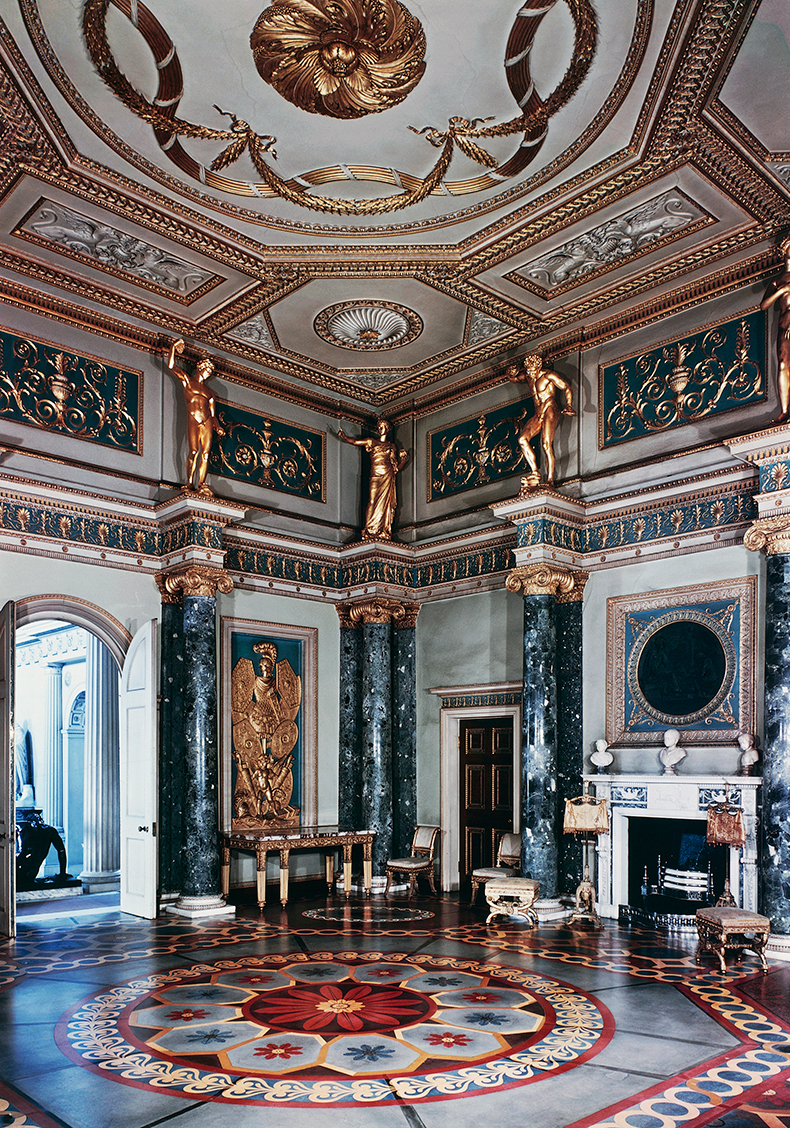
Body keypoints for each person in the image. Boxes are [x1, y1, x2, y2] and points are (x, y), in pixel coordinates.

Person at [166, 338, 225, 493]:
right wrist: (173, 347)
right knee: (193, 451)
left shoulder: (210, 392)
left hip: (206, 422)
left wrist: (218, 427)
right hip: (193, 419)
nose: (208, 374)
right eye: (207, 370)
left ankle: (202, 484)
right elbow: (171, 366)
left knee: (205, 454)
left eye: (210, 372)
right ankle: (190, 483)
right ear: (201, 368)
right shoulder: (188, 381)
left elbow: (212, 414)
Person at [506, 353, 575, 487]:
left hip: (550, 409)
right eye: (528, 371)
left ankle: (550, 480)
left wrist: (569, 405)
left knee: (545, 444)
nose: (531, 374)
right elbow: (514, 379)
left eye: (533, 371)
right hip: (538, 413)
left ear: (538, 367)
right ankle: (535, 473)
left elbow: (566, 387)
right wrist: (510, 373)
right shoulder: (528, 377)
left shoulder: (548, 375)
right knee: (522, 439)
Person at [338, 419, 408, 541]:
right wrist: (345, 437)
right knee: (371, 501)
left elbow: (395, 467)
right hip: (375, 475)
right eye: (379, 427)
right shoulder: (371, 441)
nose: (381, 428)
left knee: (384, 504)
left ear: (387, 429)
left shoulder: (391, 446)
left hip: (387, 475)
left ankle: (381, 530)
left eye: (383, 426)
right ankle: (370, 529)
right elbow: (355, 441)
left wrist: (403, 460)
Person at [760, 247, 790, 422]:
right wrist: (781, 291)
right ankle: (785, 411)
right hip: (783, 325)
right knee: (783, 366)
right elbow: (764, 305)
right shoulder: (777, 281)